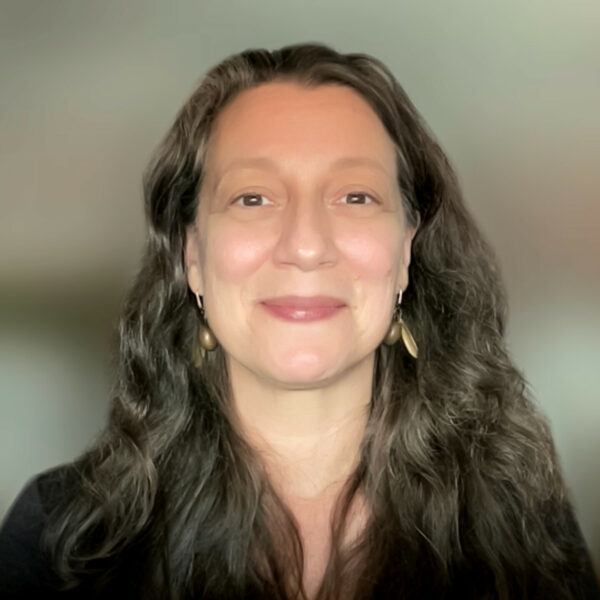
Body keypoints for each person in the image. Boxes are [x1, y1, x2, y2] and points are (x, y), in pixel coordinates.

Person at [0, 43, 598, 600]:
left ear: (407, 254)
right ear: (192, 257)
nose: (306, 245)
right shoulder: (62, 540)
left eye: (355, 197)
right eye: (253, 198)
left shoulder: (520, 527)